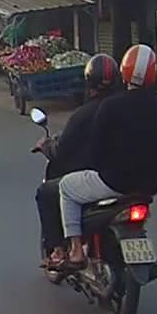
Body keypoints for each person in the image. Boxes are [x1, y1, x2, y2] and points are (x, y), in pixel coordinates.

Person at [49, 45, 157, 270]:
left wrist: (102, 169)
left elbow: (96, 150)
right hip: (149, 187)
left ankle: (76, 250)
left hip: (113, 182)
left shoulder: (110, 106)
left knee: (66, 187)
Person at [35, 54, 121, 266]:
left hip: (101, 178)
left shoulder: (86, 113)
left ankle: (61, 250)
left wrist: (47, 146)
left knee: (47, 192)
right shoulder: (126, 109)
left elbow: (63, 148)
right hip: (132, 179)